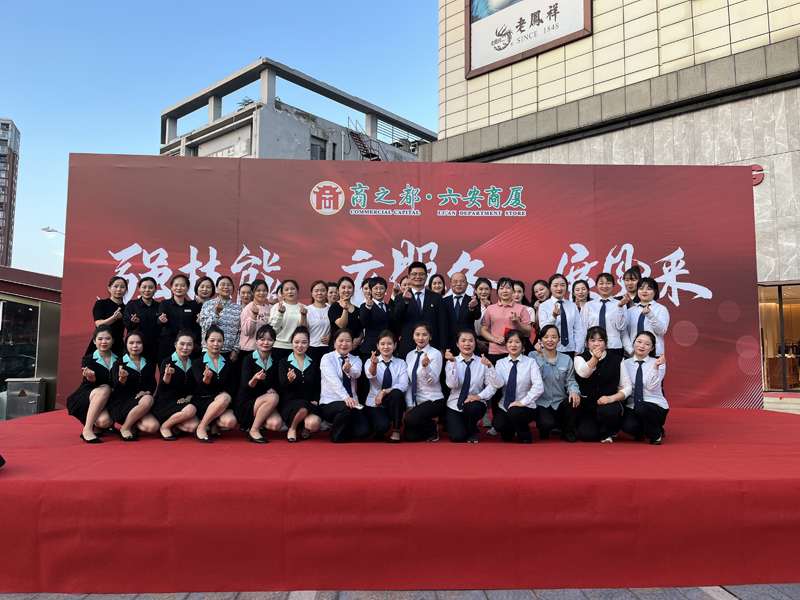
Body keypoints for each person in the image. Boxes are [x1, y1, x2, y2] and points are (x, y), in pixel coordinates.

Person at [573, 326, 632, 443]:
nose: (597, 344)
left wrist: (611, 398)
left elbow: (627, 387)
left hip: (609, 405)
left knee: (608, 412)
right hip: (588, 406)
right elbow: (584, 373)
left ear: (606, 342)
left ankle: (607, 431)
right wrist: (595, 358)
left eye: (600, 340)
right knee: (587, 436)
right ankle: (599, 429)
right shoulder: (580, 358)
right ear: (587, 342)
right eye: (593, 340)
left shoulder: (618, 360)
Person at [487, 329, 543, 444]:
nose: (513, 345)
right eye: (510, 342)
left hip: (526, 406)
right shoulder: (500, 363)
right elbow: (498, 384)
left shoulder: (531, 362)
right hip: (505, 405)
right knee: (498, 425)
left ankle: (525, 436)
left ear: (523, 344)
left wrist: (522, 402)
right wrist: (490, 368)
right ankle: (513, 429)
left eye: (517, 342)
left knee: (515, 412)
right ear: (506, 344)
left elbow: (538, 387)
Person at [444, 329, 496, 443]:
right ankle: (464, 425)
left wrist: (479, 396)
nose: (467, 344)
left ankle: (472, 431)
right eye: (463, 341)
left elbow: (492, 386)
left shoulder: (482, 362)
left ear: (475, 343)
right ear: (457, 344)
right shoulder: (451, 361)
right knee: (457, 437)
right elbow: (451, 385)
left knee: (472, 408)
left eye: (471, 341)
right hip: (455, 404)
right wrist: (452, 363)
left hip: (475, 404)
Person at [318, 328, 369, 443]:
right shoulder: (327, 358)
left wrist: (349, 370)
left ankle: (345, 429)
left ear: (352, 343)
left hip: (352, 404)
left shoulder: (356, 359)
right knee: (346, 407)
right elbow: (334, 381)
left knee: (364, 432)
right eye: (341, 341)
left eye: (348, 341)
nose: (344, 344)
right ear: (334, 343)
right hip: (330, 402)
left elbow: (357, 373)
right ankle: (336, 436)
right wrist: (346, 398)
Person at [67, 325, 118, 443]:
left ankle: (96, 427)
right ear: (94, 341)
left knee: (104, 422)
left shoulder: (119, 360)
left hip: (107, 398)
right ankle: (87, 429)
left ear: (113, 340)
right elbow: (90, 382)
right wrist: (91, 377)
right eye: (100, 339)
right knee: (104, 390)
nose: (104, 342)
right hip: (87, 395)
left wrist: (112, 389)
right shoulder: (88, 360)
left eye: (107, 338)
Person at [531, 325, 581, 442]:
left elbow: (570, 380)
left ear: (559, 340)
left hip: (560, 402)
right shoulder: (532, 355)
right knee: (546, 423)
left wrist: (574, 392)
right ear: (541, 339)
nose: (550, 340)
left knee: (575, 401)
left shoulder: (566, 359)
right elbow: (534, 378)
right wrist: (540, 356)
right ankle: (544, 428)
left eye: (554, 337)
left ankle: (568, 432)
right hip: (542, 402)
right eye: (546, 337)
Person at [233, 325, 282, 443]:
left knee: (276, 424)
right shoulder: (248, 359)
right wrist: (255, 378)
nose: (266, 342)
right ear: (256, 341)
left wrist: (273, 389)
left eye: (270, 340)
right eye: (262, 339)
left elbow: (276, 385)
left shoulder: (275, 363)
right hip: (246, 403)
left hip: (263, 402)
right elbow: (245, 386)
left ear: (274, 342)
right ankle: (254, 430)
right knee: (273, 398)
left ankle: (252, 423)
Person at [109, 330, 159, 441]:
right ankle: (125, 428)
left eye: (138, 343)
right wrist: (122, 379)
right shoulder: (119, 363)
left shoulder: (148, 362)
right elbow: (116, 387)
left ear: (143, 345)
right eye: (131, 343)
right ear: (126, 345)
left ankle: (132, 425)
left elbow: (152, 383)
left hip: (140, 403)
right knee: (148, 399)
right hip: (121, 404)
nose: (135, 346)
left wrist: (147, 392)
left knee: (153, 426)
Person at [191, 326, 236, 443]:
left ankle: (214, 423)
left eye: (219, 341)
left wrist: (228, 394)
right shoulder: (197, 363)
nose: (216, 344)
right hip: (203, 400)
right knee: (224, 398)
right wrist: (206, 379)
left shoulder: (228, 362)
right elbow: (199, 385)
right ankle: (202, 427)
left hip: (223, 402)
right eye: (212, 340)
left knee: (230, 422)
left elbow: (233, 384)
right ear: (205, 342)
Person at [621, 331, 668, 445]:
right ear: (634, 343)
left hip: (655, 405)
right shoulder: (624, 363)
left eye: (647, 344)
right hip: (633, 405)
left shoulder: (658, 363)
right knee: (628, 426)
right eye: (639, 342)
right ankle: (642, 429)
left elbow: (652, 387)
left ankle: (655, 435)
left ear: (652, 348)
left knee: (641, 407)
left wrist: (656, 367)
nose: (642, 346)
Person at [151, 331, 200, 440]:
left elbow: (192, 387)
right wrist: (167, 376)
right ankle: (165, 427)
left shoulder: (193, 364)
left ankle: (172, 424)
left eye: (189, 344)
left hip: (182, 403)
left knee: (193, 426)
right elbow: (162, 388)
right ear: (175, 344)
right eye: (182, 344)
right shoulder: (167, 361)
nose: (185, 347)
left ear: (193, 346)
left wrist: (187, 399)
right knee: (191, 410)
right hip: (165, 403)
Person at [394, 262, 449, 357]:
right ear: (409, 277)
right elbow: (397, 318)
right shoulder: (400, 298)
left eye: (421, 274)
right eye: (414, 274)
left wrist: (442, 348)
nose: (418, 277)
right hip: (408, 346)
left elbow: (442, 324)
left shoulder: (436, 298)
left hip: (432, 347)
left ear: (426, 277)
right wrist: (405, 302)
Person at [277, 327, 322, 442]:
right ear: (291, 341)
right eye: (296, 342)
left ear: (309, 343)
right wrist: (289, 380)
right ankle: (292, 428)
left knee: (314, 423)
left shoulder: (313, 363)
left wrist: (315, 399)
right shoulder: (284, 362)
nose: (300, 346)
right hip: (289, 403)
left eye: (304, 342)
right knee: (302, 407)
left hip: (309, 402)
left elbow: (317, 385)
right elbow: (281, 385)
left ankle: (305, 427)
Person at [403, 321, 445, 442]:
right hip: (417, 401)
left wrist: (426, 367)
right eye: (417, 334)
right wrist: (410, 404)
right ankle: (424, 422)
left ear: (430, 337)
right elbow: (409, 383)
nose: (420, 338)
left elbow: (433, 381)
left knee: (410, 418)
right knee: (411, 437)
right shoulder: (409, 355)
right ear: (413, 336)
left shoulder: (435, 354)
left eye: (424, 334)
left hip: (432, 399)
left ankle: (432, 428)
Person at [364, 330, 408, 443]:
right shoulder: (370, 361)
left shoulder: (401, 363)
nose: (386, 347)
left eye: (389, 344)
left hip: (393, 402)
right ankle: (376, 427)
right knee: (382, 426)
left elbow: (403, 385)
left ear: (395, 345)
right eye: (382, 344)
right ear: (378, 346)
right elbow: (370, 375)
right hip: (375, 403)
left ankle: (396, 430)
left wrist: (383, 392)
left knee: (397, 393)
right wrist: (374, 365)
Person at [537, 274, 586, 358]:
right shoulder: (544, 306)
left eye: (562, 285)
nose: (559, 288)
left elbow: (579, 329)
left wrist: (578, 349)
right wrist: (553, 317)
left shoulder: (572, 306)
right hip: (551, 350)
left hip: (571, 349)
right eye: (555, 285)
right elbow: (543, 329)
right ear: (549, 287)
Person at [156, 275, 202, 363]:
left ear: (187, 288)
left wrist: (194, 340)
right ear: (171, 287)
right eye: (176, 285)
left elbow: (196, 326)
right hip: (168, 342)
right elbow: (160, 321)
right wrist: (162, 320)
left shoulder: (193, 305)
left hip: (187, 344)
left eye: (182, 285)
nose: (179, 288)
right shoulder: (165, 303)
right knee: (166, 366)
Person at [582, 272, 628, 357]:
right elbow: (584, 328)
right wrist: (583, 347)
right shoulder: (589, 305)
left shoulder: (620, 304)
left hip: (613, 347)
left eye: (608, 283)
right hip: (593, 347)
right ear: (596, 286)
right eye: (601, 283)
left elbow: (621, 327)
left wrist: (620, 308)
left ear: (613, 285)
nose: (605, 286)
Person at [198, 276, 242, 363]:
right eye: (223, 284)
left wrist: (235, 349)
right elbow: (205, 326)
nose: (226, 287)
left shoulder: (238, 308)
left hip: (229, 353)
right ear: (217, 288)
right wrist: (216, 313)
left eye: (229, 285)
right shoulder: (208, 305)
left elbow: (240, 331)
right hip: (209, 351)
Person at [624, 277, 670, 357]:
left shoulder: (660, 309)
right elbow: (624, 333)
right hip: (632, 354)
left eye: (649, 289)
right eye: (641, 288)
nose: (644, 291)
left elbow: (661, 330)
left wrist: (650, 315)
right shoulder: (630, 311)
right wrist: (630, 350)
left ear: (655, 291)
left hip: (653, 354)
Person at [86, 276, 127, 358]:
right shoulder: (101, 303)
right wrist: (114, 317)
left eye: (122, 287)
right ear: (109, 288)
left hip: (118, 345)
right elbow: (99, 324)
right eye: (115, 286)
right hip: (101, 343)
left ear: (126, 289)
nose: (119, 289)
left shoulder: (127, 308)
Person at [270, 279, 309, 364]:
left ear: (297, 291)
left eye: (292, 289)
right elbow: (273, 330)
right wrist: (280, 313)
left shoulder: (304, 307)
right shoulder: (276, 307)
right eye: (286, 289)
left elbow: (304, 330)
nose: (290, 292)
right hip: (279, 347)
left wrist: (303, 315)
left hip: (298, 348)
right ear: (282, 293)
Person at [123, 277, 161, 364]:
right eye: (144, 287)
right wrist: (133, 322)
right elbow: (126, 323)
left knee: (150, 369)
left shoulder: (159, 306)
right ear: (139, 289)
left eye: (150, 287)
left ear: (155, 289)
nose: (147, 290)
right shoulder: (132, 305)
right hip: (136, 345)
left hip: (154, 346)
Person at [444, 272, 481, 353]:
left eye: (462, 281)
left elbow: (477, 316)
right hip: (449, 345)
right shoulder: (444, 301)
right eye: (455, 281)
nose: (458, 284)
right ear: (450, 284)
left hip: (467, 345)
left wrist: (472, 308)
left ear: (467, 284)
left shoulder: (473, 300)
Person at [328, 276, 363, 351]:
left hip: (354, 350)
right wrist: (345, 310)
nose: (346, 290)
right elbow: (342, 325)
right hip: (338, 349)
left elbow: (361, 331)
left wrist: (359, 339)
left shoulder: (358, 309)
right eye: (343, 287)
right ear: (338, 290)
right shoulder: (334, 307)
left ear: (353, 290)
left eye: (349, 287)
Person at [240, 279, 272, 354]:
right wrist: (254, 316)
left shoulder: (269, 309)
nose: (261, 293)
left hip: (266, 349)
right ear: (252, 292)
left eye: (264, 290)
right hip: (250, 350)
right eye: (258, 291)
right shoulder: (248, 308)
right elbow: (246, 331)